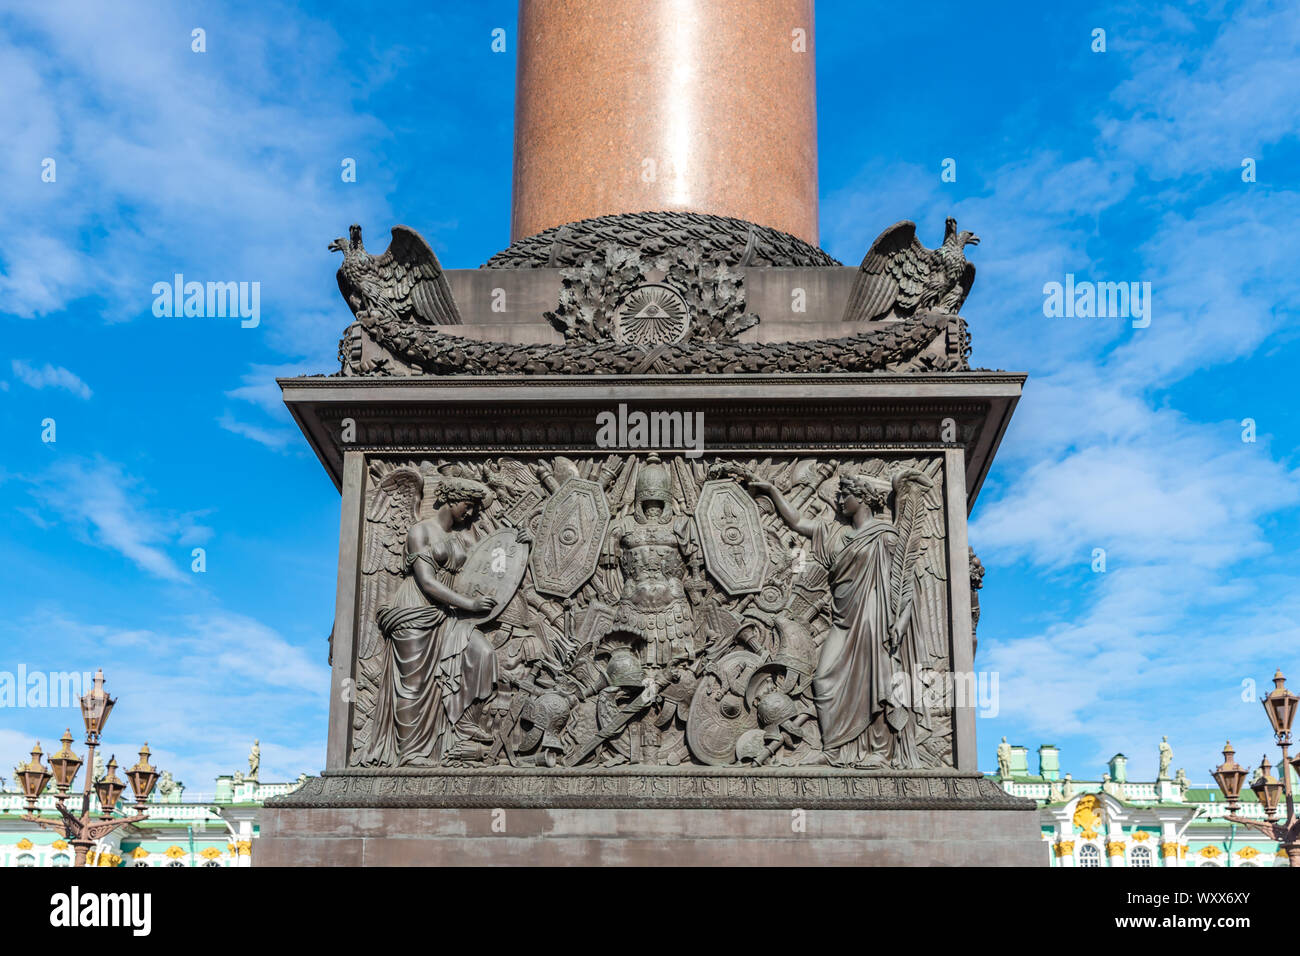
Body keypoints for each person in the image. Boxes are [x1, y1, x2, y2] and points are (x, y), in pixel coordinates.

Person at [747, 471, 918, 767]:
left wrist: (901, 621)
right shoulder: (834, 532)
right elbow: (798, 522)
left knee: (875, 678)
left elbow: (904, 583)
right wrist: (773, 489)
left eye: (843, 495)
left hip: (873, 619)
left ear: (861, 497)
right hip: (843, 619)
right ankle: (835, 749)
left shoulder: (885, 537)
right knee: (823, 678)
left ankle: (879, 751)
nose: (839, 500)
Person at [373, 476, 500, 764]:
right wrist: (471, 604)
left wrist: (520, 544)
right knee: (415, 685)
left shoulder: (458, 537)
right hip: (416, 612)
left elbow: (490, 560)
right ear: (452, 500)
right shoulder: (420, 531)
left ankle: (463, 726)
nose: (470, 514)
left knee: (483, 652)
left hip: (447, 614)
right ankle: (410, 753)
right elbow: (427, 582)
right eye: (468, 507)